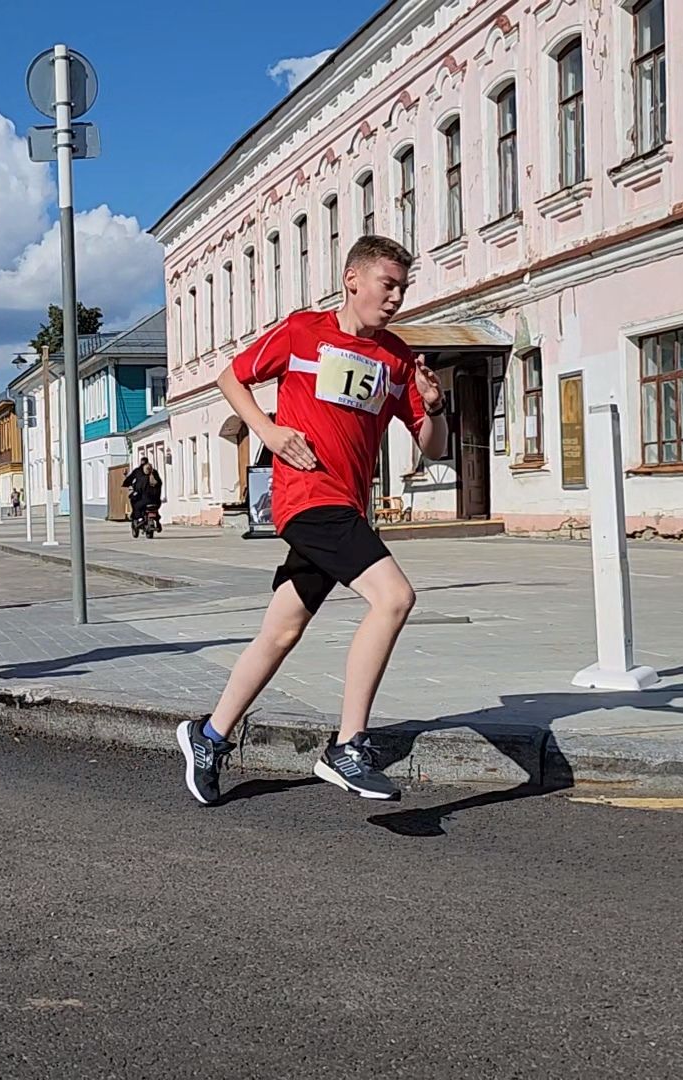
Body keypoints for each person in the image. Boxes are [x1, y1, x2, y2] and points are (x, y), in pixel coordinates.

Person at [176, 236, 447, 806]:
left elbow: (433, 447)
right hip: (306, 497)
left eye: (403, 287)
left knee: (282, 631)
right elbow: (232, 376)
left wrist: (436, 406)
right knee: (394, 598)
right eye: (387, 284)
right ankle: (348, 745)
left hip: (347, 503)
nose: (395, 297)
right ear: (353, 280)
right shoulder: (303, 332)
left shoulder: (396, 359)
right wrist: (268, 432)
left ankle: (208, 735)